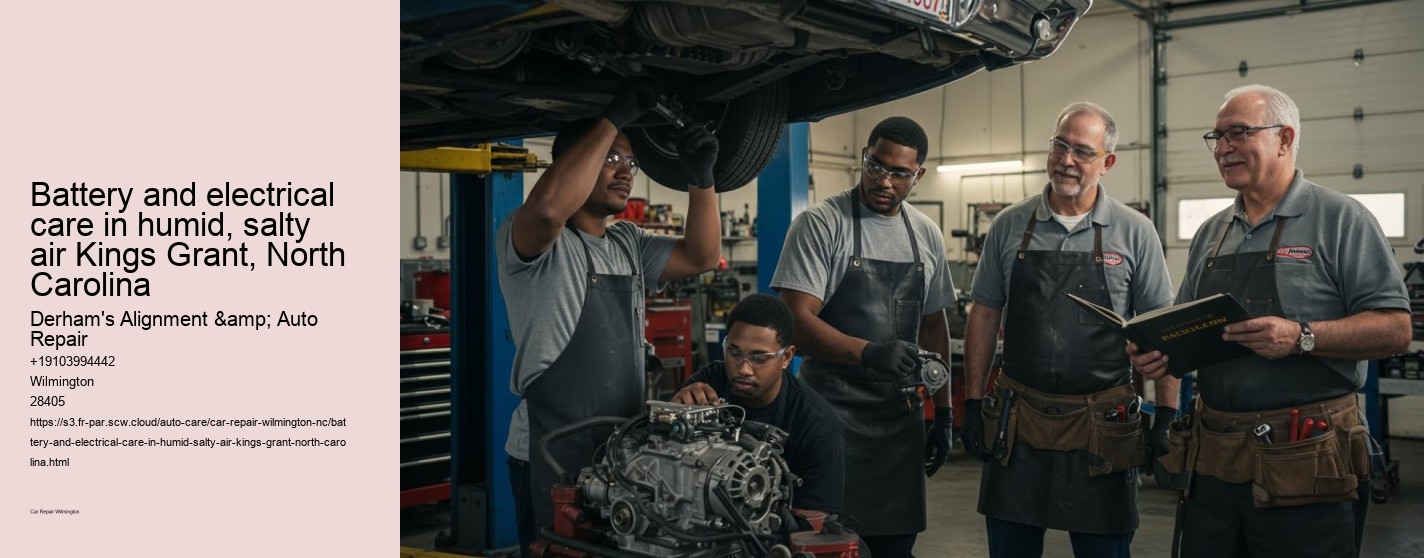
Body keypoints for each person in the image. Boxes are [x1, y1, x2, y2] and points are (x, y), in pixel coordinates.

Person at [1130, 84, 1411, 558]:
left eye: (1238, 132)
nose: (1222, 148)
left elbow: (1396, 328)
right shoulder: (1211, 233)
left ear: (1284, 138)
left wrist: (1302, 337)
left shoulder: (1340, 218)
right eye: (1216, 137)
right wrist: (1158, 351)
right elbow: (1184, 327)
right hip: (1215, 460)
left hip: (1305, 459)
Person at [497, 83, 723, 553]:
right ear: (575, 162)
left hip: (620, 451)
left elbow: (701, 255)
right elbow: (548, 208)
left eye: (631, 164)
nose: (626, 173)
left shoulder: (629, 244)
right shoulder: (533, 239)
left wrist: (702, 180)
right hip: (548, 450)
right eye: (612, 160)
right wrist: (611, 119)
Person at [960, 102, 1177, 558]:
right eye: (1060, 145)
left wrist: (1166, 414)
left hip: (1103, 425)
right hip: (1018, 423)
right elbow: (984, 313)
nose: (1067, 160)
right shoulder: (1009, 226)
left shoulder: (1135, 232)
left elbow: (1163, 326)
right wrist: (975, 399)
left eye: (1082, 150)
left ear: (1107, 162)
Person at [771, 116, 953, 558]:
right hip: (828, 417)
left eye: (899, 173)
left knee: (894, 548)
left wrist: (944, 410)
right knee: (824, 546)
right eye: (875, 165)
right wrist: (869, 353)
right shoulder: (821, 224)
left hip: (898, 423)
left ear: (919, 175)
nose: (884, 181)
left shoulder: (925, 234)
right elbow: (793, 320)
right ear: (864, 157)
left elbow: (933, 324)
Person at [672, 293, 845, 517]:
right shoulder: (710, 382)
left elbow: (812, 527)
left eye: (759, 358)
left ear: (786, 357)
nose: (743, 369)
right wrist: (674, 410)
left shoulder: (817, 426)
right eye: (734, 352)